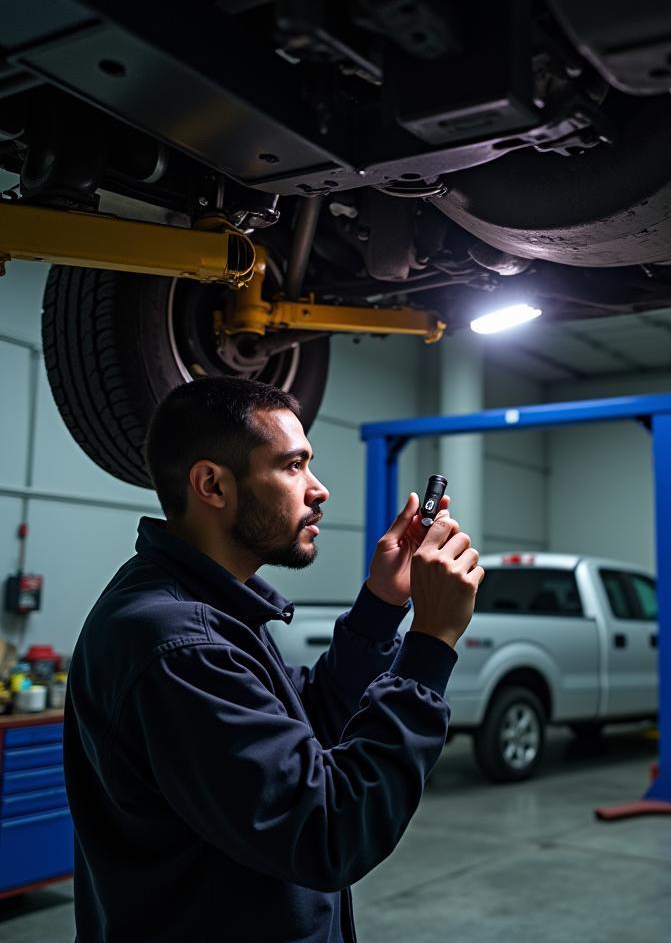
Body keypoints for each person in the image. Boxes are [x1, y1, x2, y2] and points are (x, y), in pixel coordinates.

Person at [64, 376, 483, 943]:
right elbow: (329, 830)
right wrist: (430, 645)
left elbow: (303, 728)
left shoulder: (202, 609)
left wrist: (383, 606)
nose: (319, 489)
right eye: (292, 466)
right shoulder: (180, 645)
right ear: (213, 484)